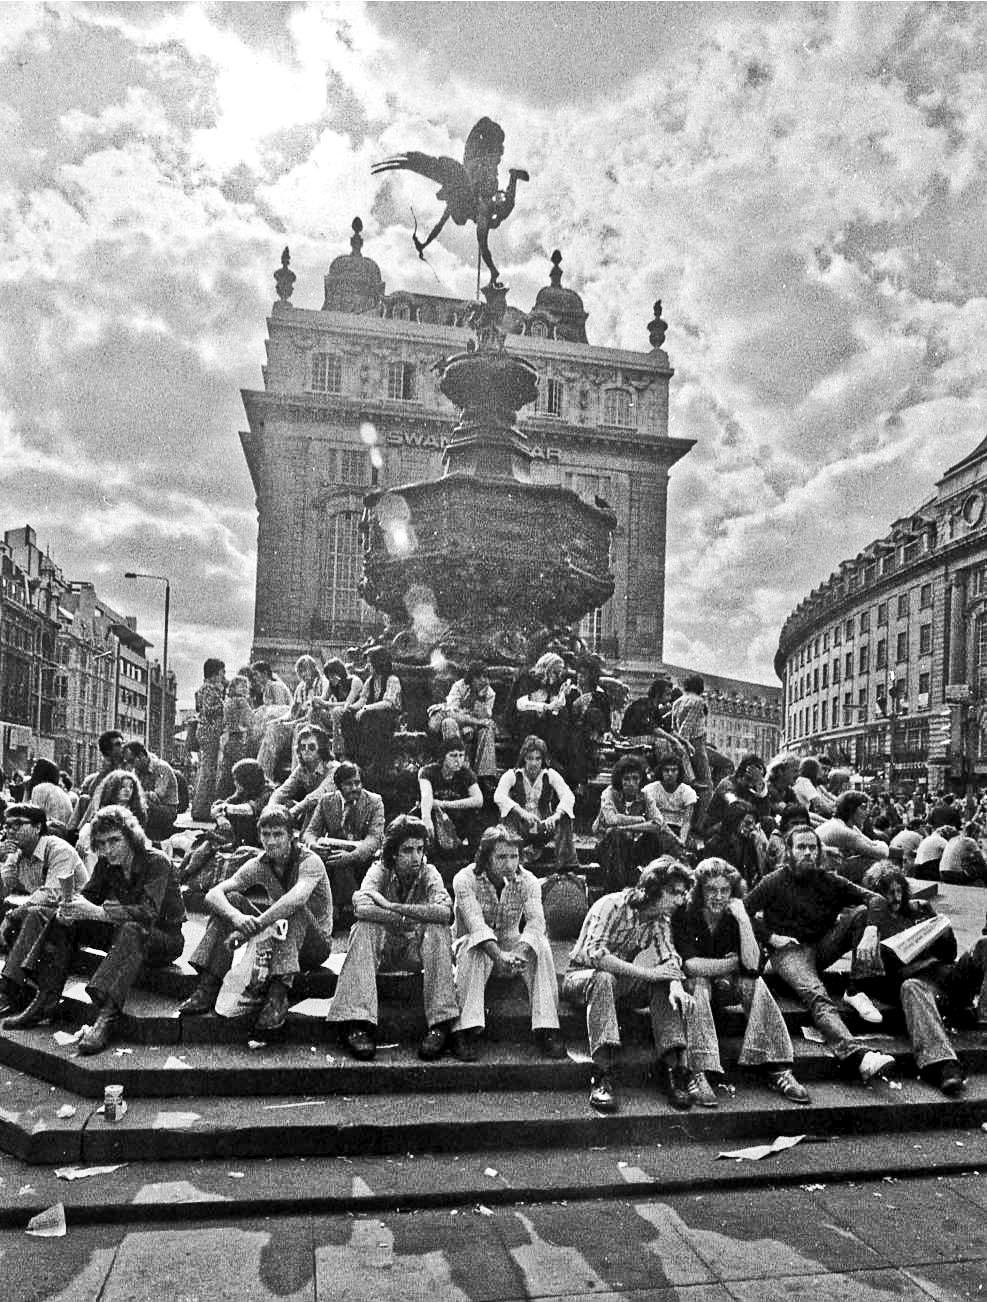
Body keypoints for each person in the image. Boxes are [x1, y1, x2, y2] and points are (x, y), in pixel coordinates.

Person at [0, 806, 185, 1053]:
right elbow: (88, 897)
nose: (108, 849)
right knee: (53, 915)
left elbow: (148, 913)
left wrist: (98, 912)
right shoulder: (107, 863)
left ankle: (107, 1015)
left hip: (163, 939)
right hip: (121, 932)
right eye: (102, 843)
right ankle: (46, 997)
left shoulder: (156, 862)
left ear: (131, 836)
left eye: (115, 841)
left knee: (132, 929)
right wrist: (70, 909)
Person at [744, 826, 895, 1084]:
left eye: (812, 847)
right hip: (788, 951)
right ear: (789, 852)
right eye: (801, 847)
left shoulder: (829, 880)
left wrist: (871, 929)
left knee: (860, 913)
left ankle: (856, 988)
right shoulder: (774, 881)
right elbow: (740, 911)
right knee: (818, 996)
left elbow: (876, 900)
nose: (807, 853)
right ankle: (858, 1056)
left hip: (822, 946)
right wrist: (770, 937)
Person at [562, 857, 700, 1114]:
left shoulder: (659, 920)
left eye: (682, 894)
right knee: (605, 977)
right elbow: (596, 955)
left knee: (663, 983)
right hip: (581, 978)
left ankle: (672, 1066)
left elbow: (669, 957)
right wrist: (648, 973)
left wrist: (675, 986)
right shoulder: (611, 905)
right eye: (674, 893)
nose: (680, 901)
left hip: (620, 985)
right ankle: (602, 1073)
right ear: (653, 888)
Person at [179, 806, 333, 1031]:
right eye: (266, 835)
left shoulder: (310, 861)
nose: (271, 842)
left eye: (278, 834)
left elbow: (295, 900)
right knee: (230, 899)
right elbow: (214, 894)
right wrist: (237, 917)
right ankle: (209, 984)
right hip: (279, 934)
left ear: (291, 836)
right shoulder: (261, 863)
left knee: (293, 910)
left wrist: (254, 926)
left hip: (313, 944)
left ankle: (278, 995)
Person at [671, 857, 810, 1105]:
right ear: (700, 891)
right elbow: (690, 966)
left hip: (725, 988)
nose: (718, 896)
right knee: (699, 983)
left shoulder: (737, 914)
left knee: (755, 985)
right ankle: (697, 1071)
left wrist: (745, 920)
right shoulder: (685, 915)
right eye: (711, 890)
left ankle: (778, 1067)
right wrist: (731, 964)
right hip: (695, 990)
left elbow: (753, 965)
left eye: (724, 890)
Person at [326, 815, 459, 1061]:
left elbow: (444, 912)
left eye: (420, 849)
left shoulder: (429, 871)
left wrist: (392, 907)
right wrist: (404, 918)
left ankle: (440, 1023)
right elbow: (362, 908)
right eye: (407, 850)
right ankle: (356, 1022)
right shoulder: (379, 870)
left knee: (438, 930)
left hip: (414, 952)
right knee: (364, 927)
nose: (416, 857)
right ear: (393, 854)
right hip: (383, 952)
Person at [451, 824, 564, 1061]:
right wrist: (498, 955)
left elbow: (535, 923)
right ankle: (465, 1030)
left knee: (541, 945)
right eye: (502, 856)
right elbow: (475, 925)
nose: (510, 864)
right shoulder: (465, 879)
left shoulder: (529, 880)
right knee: (476, 946)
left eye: (514, 856)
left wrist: (519, 954)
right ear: (486, 857)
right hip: (469, 944)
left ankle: (547, 1028)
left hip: (511, 945)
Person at [851, 863, 966, 1096]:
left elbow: (949, 954)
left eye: (898, 891)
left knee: (983, 947)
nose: (895, 898)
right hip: (915, 984)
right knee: (912, 986)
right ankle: (943, 1065)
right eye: (888, 893)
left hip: (945, 974)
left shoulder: (919, 909)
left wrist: (944, 932)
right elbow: (868, 977)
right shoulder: (870, 922)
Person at [302, 762, 385, 926]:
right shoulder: (327, 801)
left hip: (362, 857)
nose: (355, 788)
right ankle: (340, 910)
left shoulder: (374, 802)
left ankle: (339, 911)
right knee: (323, 862)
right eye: (349, 784)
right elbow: (310, 832)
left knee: (341, 865)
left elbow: (374, 839)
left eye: (358, 783)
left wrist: (351, 855)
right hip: (333, 855)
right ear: (339, 786)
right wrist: (313, 846)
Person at [0, 805, 89, 947]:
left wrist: (10, 917)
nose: (10, 831)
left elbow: (51, 895)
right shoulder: (16, 854)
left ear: (37, 827)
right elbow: (3, 891)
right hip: (50, 914)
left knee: (33, 913)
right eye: (8, 825)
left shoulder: (59, 850)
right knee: (28, 912)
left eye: (17, 825)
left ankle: (13, 969)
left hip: (79, 917)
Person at [493, 735, 579, 871]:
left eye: (538, 759)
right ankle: (516, 859)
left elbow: (568, 795)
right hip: (520, 828)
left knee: (565, 817)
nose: (534, 763)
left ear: (543, 760)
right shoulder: (512, 775)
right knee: (507, 814)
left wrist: (556, 816)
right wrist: (522, 813)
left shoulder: (550, 775)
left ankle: (566, 866)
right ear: (524, 759)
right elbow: (499, 796)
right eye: (530, 758)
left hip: (543, 827)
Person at [593, 754, 672, 891]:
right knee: (616, 834)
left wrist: (628, 827)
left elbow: (658, 823)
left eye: (635, 778)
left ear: (641, 780)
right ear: (619, 780)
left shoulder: (645, 796)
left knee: (653, 837)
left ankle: (649, 883)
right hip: (607, 847)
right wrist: (639, 820)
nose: (631, 783)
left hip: (632, 845)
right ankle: (618, 887)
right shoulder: (609, 793)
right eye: (626, 779)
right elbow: (612, 819)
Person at [257, 655, 328, 780]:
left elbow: (321, 708)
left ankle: (296, 776)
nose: (304, 675)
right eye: (300, 672)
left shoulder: (323, 683)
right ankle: (262, 775)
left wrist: (294, 722)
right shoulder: (301, 687)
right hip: (300, 721)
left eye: (306, 670)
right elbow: (292, 712)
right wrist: (279, 721)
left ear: (313, 669)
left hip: (318, 722)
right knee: (274, 728)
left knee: (299, 729)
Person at [427, 661, 498, 783]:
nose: (486, 681)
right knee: (448, 722)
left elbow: (486, 717)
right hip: (459, 722)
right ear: (473, 677)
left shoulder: (489, 693)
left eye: (487, 677)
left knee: (488, 729)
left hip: (474, 725)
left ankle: (485, 776)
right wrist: (474, 719)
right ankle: (457, 769)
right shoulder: (458, 686)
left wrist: (480, 699)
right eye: (482, 677)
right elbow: (453, 712)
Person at [418, 739, 484, 862]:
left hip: (457, 816)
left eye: (461, 755)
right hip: (434, 814)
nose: (458, 760)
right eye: (453, 755)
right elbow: (426, 795)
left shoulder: (466, 774)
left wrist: (445, 804)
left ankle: (473, 860)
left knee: (474, 819)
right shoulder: (428, 772)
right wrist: (426, 819)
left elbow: (478, 800)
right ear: (444, 756)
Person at [340, 646, 403, 774]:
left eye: (370, 662)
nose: (367, 666)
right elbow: (363, 699)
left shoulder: (392, 680)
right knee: (347, 716)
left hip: (389, 716)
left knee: (368, 717)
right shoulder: (370, 681)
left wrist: (366, 708)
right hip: (372, 713)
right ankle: (351, 756)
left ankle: (368, 760)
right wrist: (350, 708)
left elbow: (388, 703)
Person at [267, 725, 337, 828]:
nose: (306, 750)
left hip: (335, 814)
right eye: (303, 747)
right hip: (313, 810)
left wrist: (290, 814)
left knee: (314, 806)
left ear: (321, 749)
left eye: (311, 747)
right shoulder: (302, 768)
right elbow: (282, 791)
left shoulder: (334, 769)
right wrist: (270, 810)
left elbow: (316, 797)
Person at [816, 791, 890, 883]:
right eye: (863, 808)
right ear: (851, 809)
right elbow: (882, 853)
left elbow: (871, 843)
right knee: (872, 861)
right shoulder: (843, 831)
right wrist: (881, 844)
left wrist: (877, 845)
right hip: (821, 876)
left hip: (826, 870)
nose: (867, 812)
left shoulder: (845, 825)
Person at [514, 653, 572, 765]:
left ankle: (552, 757)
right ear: (547, 669)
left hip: (545, 725)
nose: (558, 676)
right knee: (530, 715)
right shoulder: (528, 679)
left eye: (560, 673)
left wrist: (563, 695)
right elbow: (521, 704)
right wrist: (544, 707)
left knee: (562, 714)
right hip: (525, 721)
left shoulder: (554, 683)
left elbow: (556, 707)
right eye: (555, 672)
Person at [68, 730, 125, 834]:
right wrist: (106, 769)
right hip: (105, 807)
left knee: (95, 799)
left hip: (121, 807)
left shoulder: (126, 765)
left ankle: (79, 833)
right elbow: (92, 790)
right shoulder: (109, 768)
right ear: (108, 751)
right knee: (84, 799)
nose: (123, 747)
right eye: (118, 744)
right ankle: (71, 831)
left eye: (122, 743)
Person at [122, 741, 180, 843]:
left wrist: (138, 795)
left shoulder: (162, 768)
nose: (130, 766)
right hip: (151, 808)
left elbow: (157, 797)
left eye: (131, 761)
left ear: (141, 756)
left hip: (167, 810)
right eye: (127, 762)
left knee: (142, 803)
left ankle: (139, 839)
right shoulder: (137, 770)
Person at [191, 658, 227, 820]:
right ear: (214, 673)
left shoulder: (204, 688)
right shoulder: (210, 689)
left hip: (205, 732)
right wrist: (225, 705)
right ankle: (201, 811)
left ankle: (200, 808)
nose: (224, 676)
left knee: (206, 771)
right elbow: (209, 710)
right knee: (207, 772)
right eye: (222, 672)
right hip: (209, 733)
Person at [703, 753, 771, 837]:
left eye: (758, 779)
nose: (754, 783)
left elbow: (765, 814)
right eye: (752, 779)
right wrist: (754, 810)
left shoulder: (754, 790)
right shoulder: (727, 783)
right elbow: (734, 804)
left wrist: (761, 791)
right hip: (716, 833)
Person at [211, 758, 273, 849]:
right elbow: (221, 805)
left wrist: (224, 808)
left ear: (247, 779)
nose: (235, 783)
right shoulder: (245, 790)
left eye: (237, 780)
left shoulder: (268, 792)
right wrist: (219, 816)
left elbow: (251, 809)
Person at [703, 800, 766, 888]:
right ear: (734, 821)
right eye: (747, 823)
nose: (752, 828)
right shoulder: (715, 845)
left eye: (753, 824)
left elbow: (755, 874)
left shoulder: (749, 843)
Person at [215, 674, 257, 800]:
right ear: (233, 687)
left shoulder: (228, 701)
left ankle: (220, 798)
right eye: (242, 686)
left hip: (228, 738)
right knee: (239, 770)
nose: (245, 688)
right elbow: (250, 720)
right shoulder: (241, 701)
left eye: (246, 686)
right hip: (238, 739)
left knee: (226, 772)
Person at [311, 658, 363, 759]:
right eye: (328, 677)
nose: (330, 679)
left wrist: (326, 703)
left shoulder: (354, 681)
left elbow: (348, 703)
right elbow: (323, 699)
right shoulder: (332, 684)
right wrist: (315, 702)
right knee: (314, 712)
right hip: (337, 715)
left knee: (337, 711)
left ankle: (338, 751)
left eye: (332, 675)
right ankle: (319, 745)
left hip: (353, 713)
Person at [642, 751, 697, 846]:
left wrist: (682, 840)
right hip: (657, 830)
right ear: (661, 771)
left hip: (678, 829)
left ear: (679, 772)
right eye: (666, 770)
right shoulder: (650, 789)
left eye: (674, 770)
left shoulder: (687, 791)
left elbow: (687, 822)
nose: (670, 774)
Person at [670, 675, 710, 793]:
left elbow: (673, 727)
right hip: (694, 745)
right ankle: (705, 811)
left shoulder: (677, 702)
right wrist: (684, 744)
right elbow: (687, 726)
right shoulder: (698, 701)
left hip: (680, 742)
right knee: (706, 783)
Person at [25, 758, 74, 839]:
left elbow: (34, 819)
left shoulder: (40, 788)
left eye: (34, 767)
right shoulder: (58, 790)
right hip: (63, 833)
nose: (31, 770)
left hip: (50, 834)